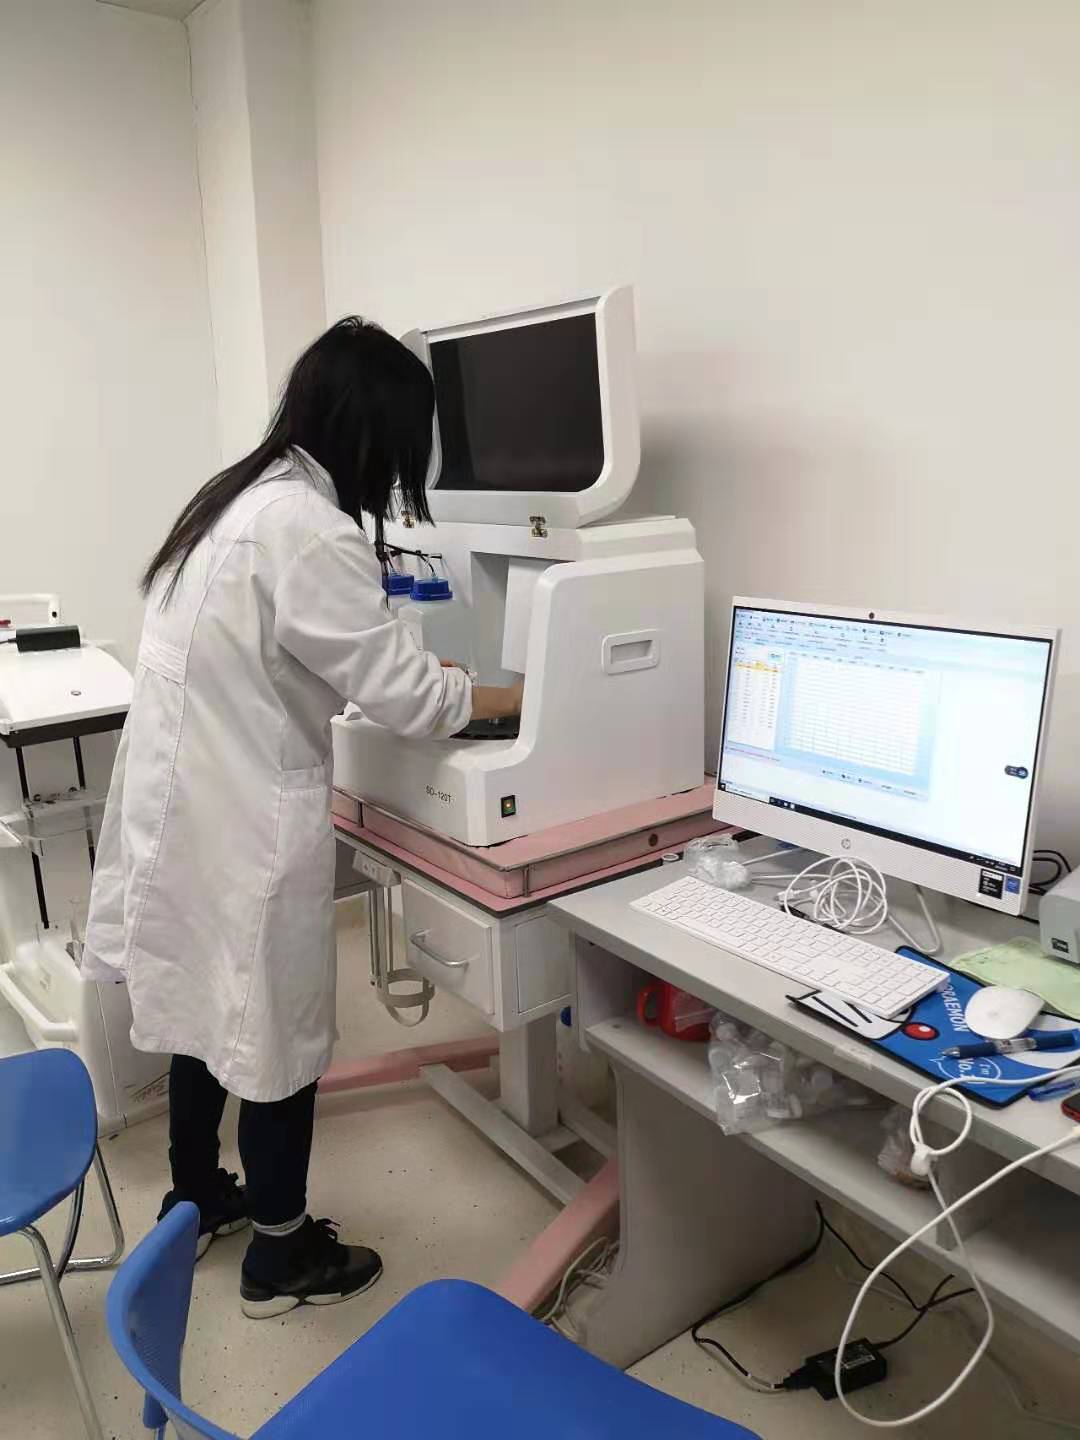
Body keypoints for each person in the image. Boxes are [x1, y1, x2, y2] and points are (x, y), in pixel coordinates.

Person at [83, 317, 522, 1318]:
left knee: (203, 1010)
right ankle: (281, 1258)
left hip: (183, 809)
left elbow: (321, 656)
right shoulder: (309, 529)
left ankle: (200, 1198)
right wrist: (507, 697)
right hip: (238, 819)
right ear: (374, 431)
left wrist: (414, 669)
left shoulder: (238, 499)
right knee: (275, 1034)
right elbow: (405, 695)